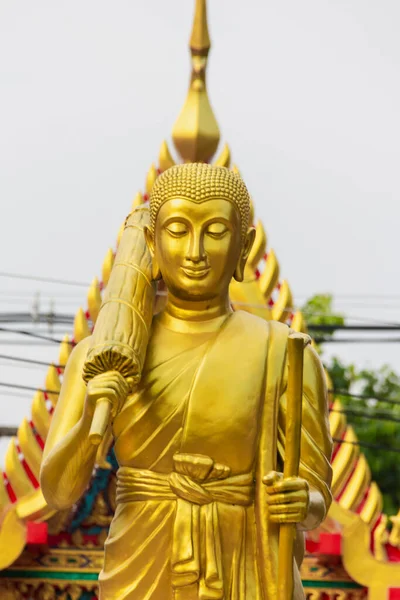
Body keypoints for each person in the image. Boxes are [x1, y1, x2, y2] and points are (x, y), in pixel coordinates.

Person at [41, 163, 332, 600]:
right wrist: (88, 421)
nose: (195, 251)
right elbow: (59, 492)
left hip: (244, 563)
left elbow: (316, 492)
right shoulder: (101, 355)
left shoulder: (283, 351)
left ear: (244, 248)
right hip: (140, 562)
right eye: (177, 230)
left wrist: (301, 501)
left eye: (215, 230)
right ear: (152, 244)